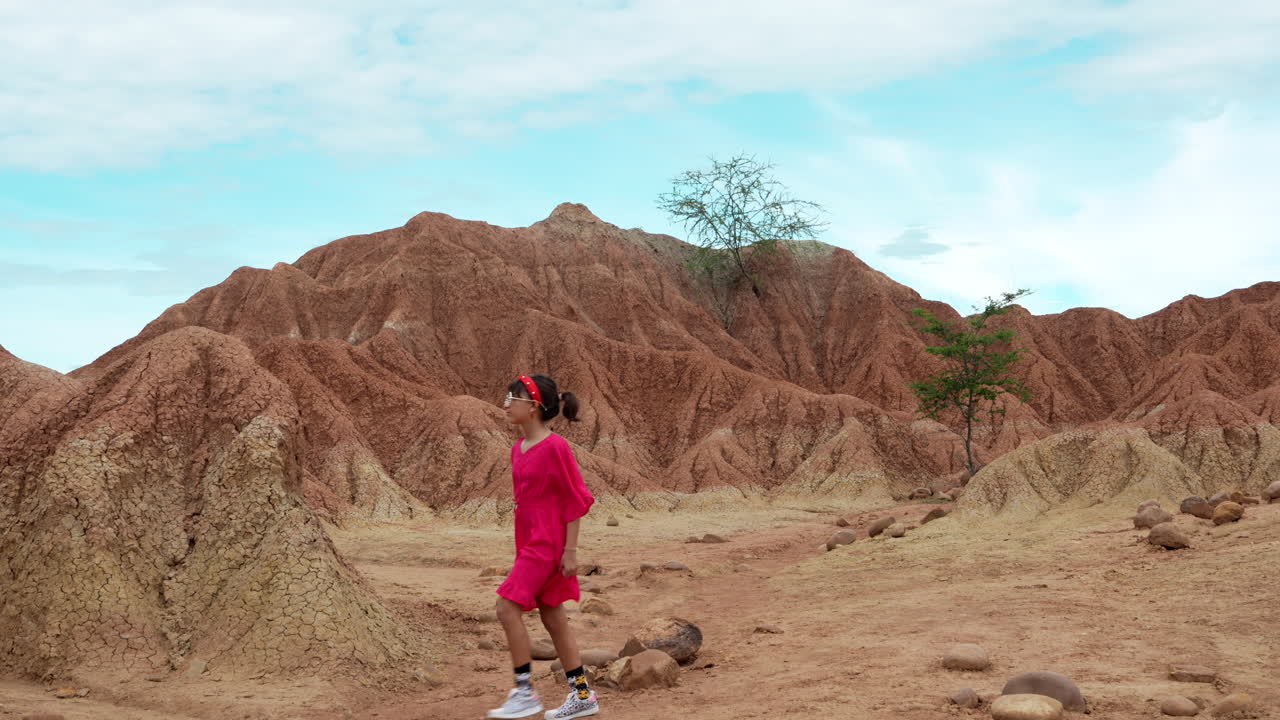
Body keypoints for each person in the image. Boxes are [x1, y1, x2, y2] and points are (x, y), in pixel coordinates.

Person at [486, 374, 599, 720]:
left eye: (513, 397)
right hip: (529, 538)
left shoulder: (556, 448)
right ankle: (582, 696)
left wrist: (570, 552)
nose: (506, 403)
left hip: (548, 542)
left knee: (506, 607)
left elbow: (575, 499)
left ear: (534, 407)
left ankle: (524, 693)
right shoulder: (517, 449)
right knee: (553, 617)